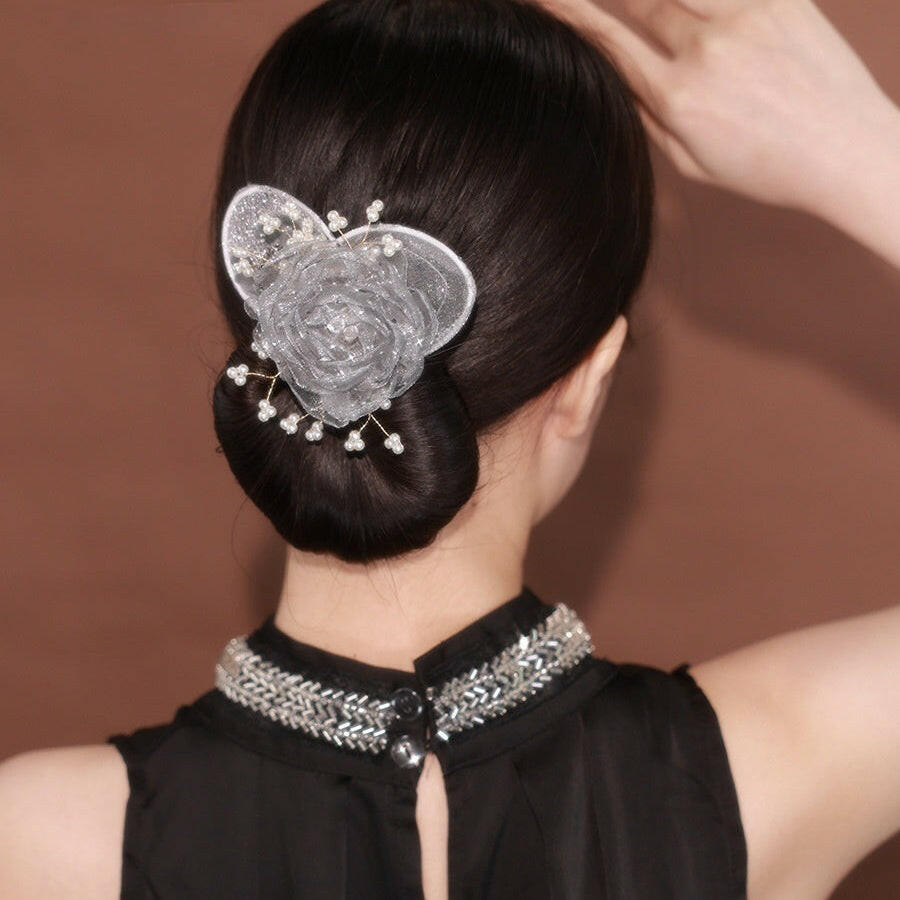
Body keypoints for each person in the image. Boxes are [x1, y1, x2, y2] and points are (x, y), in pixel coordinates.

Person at [0, 0, 897, 897]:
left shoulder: (43, 843)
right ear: (591, 377)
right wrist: (856, 147)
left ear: (265, 318)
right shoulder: (772, 770)